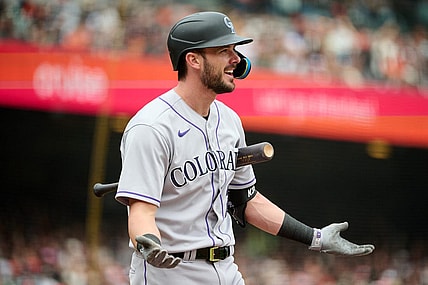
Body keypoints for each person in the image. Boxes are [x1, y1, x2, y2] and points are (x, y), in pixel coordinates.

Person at [115, 11, 375, 285]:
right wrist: (150, 245)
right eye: (223, 51)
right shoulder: (151, 127)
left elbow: (246, 201)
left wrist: (315, 237)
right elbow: (141, 211)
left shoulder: (229, 121)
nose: (236, 59)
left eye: (235, 50)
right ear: (193, 59)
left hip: (226, 269)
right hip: (171, 272)